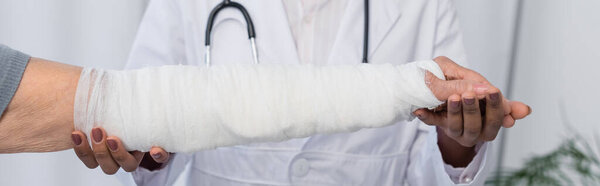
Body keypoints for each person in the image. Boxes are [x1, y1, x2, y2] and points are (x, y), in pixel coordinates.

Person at [69, 0, 531, 185]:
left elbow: (428, 170)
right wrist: (146, 150)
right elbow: (151, 134)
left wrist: (459, 141)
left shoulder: (420, 6)